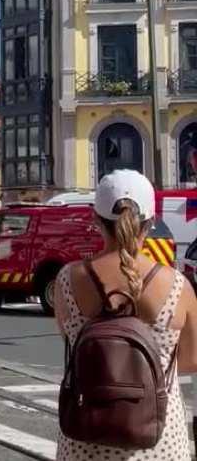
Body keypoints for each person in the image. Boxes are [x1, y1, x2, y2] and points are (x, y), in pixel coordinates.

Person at [54, 169, 197, 461]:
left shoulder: (68, 279)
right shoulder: (177, 285)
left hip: (85, 439)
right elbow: (191, 359)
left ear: (96, 221)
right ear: (151, 221)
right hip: (157, 440)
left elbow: (70, 339)